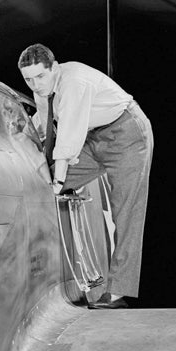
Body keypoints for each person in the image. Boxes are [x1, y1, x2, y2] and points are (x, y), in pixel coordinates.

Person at [18, 43, 153, 309]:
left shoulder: (74, 83)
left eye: (40, 76)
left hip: (127, 134)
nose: (35, 84)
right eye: (28, 79)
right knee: (42, 182)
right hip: (96, 138)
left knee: (125, 212)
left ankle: (117, 293)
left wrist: (58, 182)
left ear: (54, 68)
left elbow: (66, 141)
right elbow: (43, 125)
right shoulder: (43, 90)